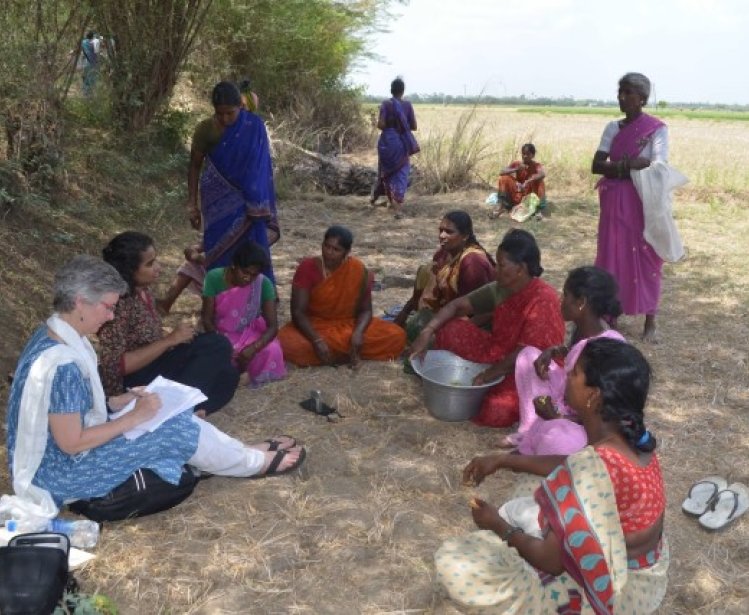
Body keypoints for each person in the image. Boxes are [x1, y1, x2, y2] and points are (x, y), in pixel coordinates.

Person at [4, 256, 305, 518]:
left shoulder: (52, 332)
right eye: (108, 308)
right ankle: (254, 463)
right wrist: (131, 418)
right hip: (63, 474)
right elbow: (71, 443)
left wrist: (116, 403)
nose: (110, 316)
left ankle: (240, 454)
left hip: (57, 459)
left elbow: (61, 410)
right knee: (171, 428)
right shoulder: (64, 364)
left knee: (173, 414)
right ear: (81, 302)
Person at [435, 339, 668, 613]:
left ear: (593, 396)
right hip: (648, 578)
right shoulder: (636, 441)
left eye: (575, 373)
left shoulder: (590, 470)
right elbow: (568, 464)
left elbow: (551, 561)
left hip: (616, 595)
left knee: (454, 563)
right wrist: (504, 460)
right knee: (534, 481)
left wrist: (497, 525)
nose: (566, 375)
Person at [411, 229, 564, 427]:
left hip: (529, 371)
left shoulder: (543, 299)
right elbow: (457, 306)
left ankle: (487, 391)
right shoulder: (502, 288)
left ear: (521, 268)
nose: (495, 271)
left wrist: (487, 375)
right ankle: (482, 389)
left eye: (501, 266)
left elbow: (526, 355)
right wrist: (427, 331)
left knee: (495, 410)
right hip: (497, 352)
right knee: (451, 330)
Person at [99, 232, 239, 417]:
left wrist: (178, 341)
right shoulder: (117, 304)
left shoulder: (143, 291)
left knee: (228, 374)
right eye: (150, 264)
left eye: (155, 260)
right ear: (129, 270)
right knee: (218, 345)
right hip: (132, 382)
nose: (158, 267)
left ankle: (194, 412)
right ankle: (176, 412)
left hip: (154, 365)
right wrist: (169, 341)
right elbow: (116, 366)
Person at [504, 266, 625, 453]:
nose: (561, 301)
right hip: (568, 399)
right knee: (528, 356)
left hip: (585, 423)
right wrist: (554, 351)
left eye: (565, 295)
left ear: (581, 302)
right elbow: (578, 353)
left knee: (558, 441)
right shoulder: (586, 328)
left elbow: (605, 416)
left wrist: (558, 417)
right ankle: (530, 429)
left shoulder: (608, 348)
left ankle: (541, 432)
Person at [592, 72, 668, 343]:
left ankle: (650, 319)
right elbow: (596, 165)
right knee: (612, 253)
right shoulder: (613, 128)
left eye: (629, 93)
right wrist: (626, 166)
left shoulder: (656, 130)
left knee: (646, 255)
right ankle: (609, 314)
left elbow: (658, 166)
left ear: (643, 99)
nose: (622, 98)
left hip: (642, 200)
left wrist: (618, 168)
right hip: (613, 201)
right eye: (620, 92)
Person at [186, 81, 278, 280]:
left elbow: (260, 166)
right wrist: (192, 204)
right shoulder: (205, 130)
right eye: (220, 113)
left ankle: (255, 301)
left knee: (252, 251)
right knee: (217, 249)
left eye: (230, 113)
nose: (225, 118)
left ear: (240, 107)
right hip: (217, 201)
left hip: (250, 203)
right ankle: (219, 299)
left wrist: (256, 200)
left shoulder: (254, 127)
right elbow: (194, 165)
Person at [278, 225, 406, 367]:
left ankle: (340, 353)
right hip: (314, 327)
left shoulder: (357, 270)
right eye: (327, 247)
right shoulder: (308, 267)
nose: (329, 253)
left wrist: (358, 334)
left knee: (396, 335)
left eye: (336, 250)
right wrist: (317, 341)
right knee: (287, 343)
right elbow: (297, 312)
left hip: (348, 325)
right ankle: (344, 353)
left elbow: (366, 310)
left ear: (347, 252)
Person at [393, 211, 495, 342]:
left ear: (465, 236)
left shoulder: (473, 262)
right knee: (426, 271)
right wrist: (404, 313)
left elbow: (480, 310)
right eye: (440, 230)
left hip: (477, 321)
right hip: (450, 312)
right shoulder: (443, 254)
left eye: (449, 232)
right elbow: (429, 287)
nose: (442, 236)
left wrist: (449, 332)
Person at [202, 241, 286, 387]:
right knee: (212, 356)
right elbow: (207, 319)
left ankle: (245, 372)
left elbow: (273, 327)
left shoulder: (263, 283)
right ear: (234, 265)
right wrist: (223, 344)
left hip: (250, 333)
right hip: (220, 334)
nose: (248, 278)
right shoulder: (213, 278)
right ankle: (237, 372)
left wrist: (254, 348)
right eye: (245, 272)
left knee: (272, 350)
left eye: (254, 275)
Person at [370, 77, 419, 219]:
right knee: (401, 172)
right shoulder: (408, 105)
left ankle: (379, 199)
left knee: (385, 172)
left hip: (386, 143)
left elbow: (380, 125)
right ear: (402, 91)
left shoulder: (386, 104)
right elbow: (414, 126)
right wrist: (402, 124)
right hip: (401, 143)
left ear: (391, 90)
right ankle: (396, 204)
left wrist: (390, 123)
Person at [491, 143, 547, 218]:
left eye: (528, 154)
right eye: (523, 154)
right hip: (517, 195)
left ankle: (539, 211)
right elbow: (502, 172)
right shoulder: (517, 164)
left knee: (540, 181)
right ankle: (501, 207)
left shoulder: (536, 165)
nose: (525, 156)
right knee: (504, 178)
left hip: (529, 196)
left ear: (533, 155)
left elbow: (542, 174)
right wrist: (517, 169)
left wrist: (531, 179)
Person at [80, 31, 101, 97]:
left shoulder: (83, 42)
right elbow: (96, 53)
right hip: (92, 63)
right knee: (92, 78)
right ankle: (90, 95)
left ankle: (85, 94)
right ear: (92, 36)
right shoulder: (95, 42)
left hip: (84, 62)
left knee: (85, 78)